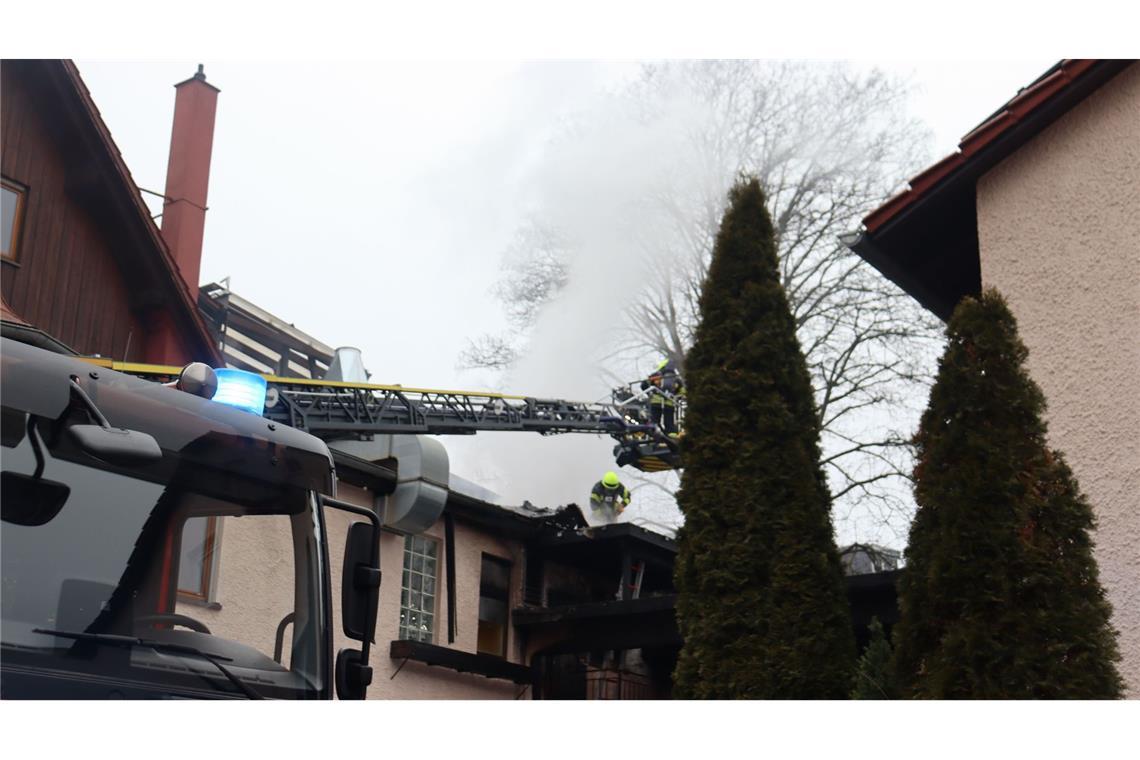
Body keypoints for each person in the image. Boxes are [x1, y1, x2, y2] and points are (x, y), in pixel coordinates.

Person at [641, 357, 683, 435]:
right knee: (669, 422)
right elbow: (682, 391)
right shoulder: (676, 378)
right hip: (670, 404)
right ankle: (671, 436)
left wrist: (650, 393)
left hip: (655, 402)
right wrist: (676, 397)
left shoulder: (656, 375)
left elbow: (644, 385)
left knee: (655, 421)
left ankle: (654, 435)